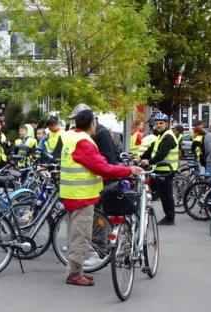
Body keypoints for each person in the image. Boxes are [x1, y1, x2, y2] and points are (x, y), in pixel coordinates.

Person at [60, 110, 142, 286]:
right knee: (81, 236)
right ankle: (74, 274)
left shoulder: (70, 137)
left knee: (75, 234)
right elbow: (102, 167)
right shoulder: (84, 142)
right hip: (81, 196)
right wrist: (128, 170)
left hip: (71, 194)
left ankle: (76, 270)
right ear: (92, 124)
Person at [140, 112, 179, 225]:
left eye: (161, 123)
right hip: (159, 169)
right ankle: (144, 213)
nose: (158, 125)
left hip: (166, 170)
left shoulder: (168, 136)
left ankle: (170, 218)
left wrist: (149, 161)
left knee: (166, 195)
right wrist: (141, 158)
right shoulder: (161, 136)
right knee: (150, 189)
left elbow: (161, 154)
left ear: (167, 124)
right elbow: (152, 149)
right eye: (157, 123)